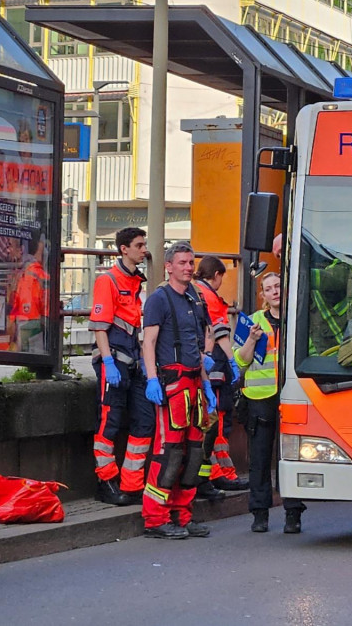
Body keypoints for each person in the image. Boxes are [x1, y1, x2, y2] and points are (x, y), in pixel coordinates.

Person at [141, 241, 217, 540]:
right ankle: (155, 518)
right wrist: (151, 379)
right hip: (173, 384)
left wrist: (206, 384)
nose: (188, 268)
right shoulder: (158, 300)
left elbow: (197, 348)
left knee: (193, 453)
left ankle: (182, 515)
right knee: (169, 452)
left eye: (190, 262)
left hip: (194, 384)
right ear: (169, 266)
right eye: (183, 263)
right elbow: (148, 343)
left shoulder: (194, 299)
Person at [236, 272, 306, 534]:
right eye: (269, 288)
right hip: (260, 398)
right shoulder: (251, 321)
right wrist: (252, 340)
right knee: (260, 458)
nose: (274, 291)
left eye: (278, 286)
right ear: (263, 295)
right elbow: (240, 361)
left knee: (292, 455)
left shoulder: (297, 318)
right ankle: (260, 513)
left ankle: (293, 513)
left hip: (291, 394)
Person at [89, 227, 151, 506]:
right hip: (113, 361)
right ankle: (106, 483)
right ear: (124, 249)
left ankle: (132, 484)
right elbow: (99, 327)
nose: (144, 250)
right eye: (139, 245)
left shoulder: (135, 281)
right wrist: (108, 362)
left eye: (144, 244)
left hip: (132, 362)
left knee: (144, 421)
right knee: (110, 421)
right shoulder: (108, 280)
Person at [193, 256, 247, 494]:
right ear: (216, 275)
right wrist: (232, 360)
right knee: (217, 422)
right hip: (215, 366)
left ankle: (218, 473)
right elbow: (220, 333)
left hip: (207, 365)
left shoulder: (195, 292)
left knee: (213, 423)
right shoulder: (209, 297)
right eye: (221, 278)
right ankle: (220, 474)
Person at [8, 231, 48, 353]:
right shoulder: (26, 272)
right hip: (37, 326)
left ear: (21, 250)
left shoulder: (28, 276)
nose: (8, 251)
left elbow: (26, 317)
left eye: (10, 246)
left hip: (30, 329)